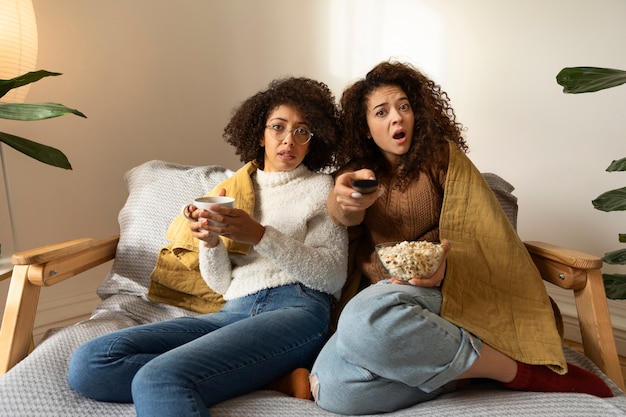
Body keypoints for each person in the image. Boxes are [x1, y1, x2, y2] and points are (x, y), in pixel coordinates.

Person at [305, 61, 613, 415]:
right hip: (386, 294)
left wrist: (443, 267)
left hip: (447, 290)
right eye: (382, 111)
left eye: (404, 106)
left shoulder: (442, 157)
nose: (397, 118)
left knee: (363, 320)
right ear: (364, 125)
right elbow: (345, 218)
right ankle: (468, 373)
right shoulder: (355, 173)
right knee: (333, 390)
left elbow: (480, 232)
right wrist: (343, 201)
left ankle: (519, 373)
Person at [67, 77, 348, 417]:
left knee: (157, 380)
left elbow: (332, 277)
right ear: (260, 134)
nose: (289, 139)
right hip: (231, 312)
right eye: (278, 127)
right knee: (90, 363)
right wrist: (210, 242)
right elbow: (220, 284)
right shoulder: (231, 191)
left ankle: (246, 371)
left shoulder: (321, 188)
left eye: (302, 131)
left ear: (313, 141)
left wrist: (261, 235)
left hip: (295, 311)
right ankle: (265, 376)